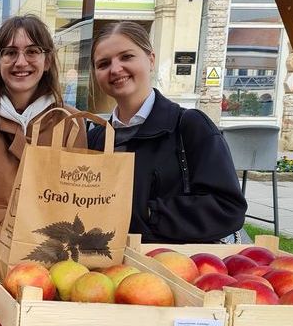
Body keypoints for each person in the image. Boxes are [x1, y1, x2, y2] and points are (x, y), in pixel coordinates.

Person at [86, 21, 246, 243]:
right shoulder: (96, 138)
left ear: (150, 60)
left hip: (173, 267)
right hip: (106, 267)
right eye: (103, 64)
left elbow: (226, 208)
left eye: (126, 57)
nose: (115, 69)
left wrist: (148, 213)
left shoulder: (189, 126)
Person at [0, 15, 86, 242]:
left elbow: (79, 198)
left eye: (32, 51)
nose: (21, 62)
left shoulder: (71, 122)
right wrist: (6, 246)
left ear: (48, 61)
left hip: (53, 251)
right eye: (10, 52)